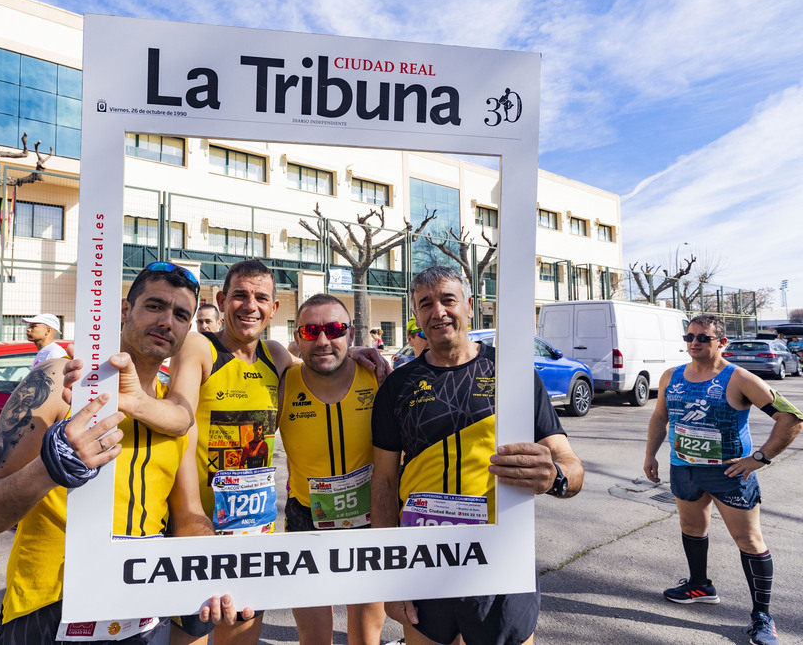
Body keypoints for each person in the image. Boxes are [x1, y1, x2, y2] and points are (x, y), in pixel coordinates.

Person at [0, 263, 243, 644]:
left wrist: (213, 575)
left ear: (188, 329)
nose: (166, 322)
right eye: (154, 306)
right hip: (50, 614)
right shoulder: (62, 380)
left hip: (142, 618)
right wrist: (48, 469)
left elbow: (189, 516)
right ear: (125, 311)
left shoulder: (174, 412)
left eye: (181, 315)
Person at [166, 259, 389, 645]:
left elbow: (321, 362)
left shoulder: (275, 358)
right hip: (201, 525)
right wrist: (189, 518)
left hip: (254, 530)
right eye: (239, 295)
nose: (250, 305)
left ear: (273, 309)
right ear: (220, 300)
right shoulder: (199, 347)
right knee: (193, 635)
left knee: (240, 637)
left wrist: (349, 351)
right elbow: (179, 419)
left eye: (260, 298)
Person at [370, 266, 583, 645]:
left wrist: (557, 478)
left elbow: (569, 464)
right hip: (423, 559)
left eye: (448, 300)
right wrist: (390, 575)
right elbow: (384, 482)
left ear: (470, 306)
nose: (438, 312)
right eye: (426, 304)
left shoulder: (512, 373)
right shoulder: (398, 386)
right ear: (416, 315)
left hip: (499, 558)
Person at [644, 314, 803, 645]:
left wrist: (758, 458)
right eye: (689, 337)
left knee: (748, 541)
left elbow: (792, 418)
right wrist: (650, 455)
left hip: (728, 473)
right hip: (683, 468)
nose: (694, 343)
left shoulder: (740, 378)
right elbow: (660, 415)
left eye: (703, 337)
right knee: (691, 529)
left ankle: (762, 617)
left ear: (721, 342)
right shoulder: (671, 375)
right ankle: (699, 585)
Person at [278, 293, 385, 645]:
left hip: (371, 519)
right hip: (306, 519)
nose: (323, 340)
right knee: (313, 638)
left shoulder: (380, 379)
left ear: (350, 335)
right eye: (311, 331)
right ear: (297, 338)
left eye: (334, 329)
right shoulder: (284, 382)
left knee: (366, 636)